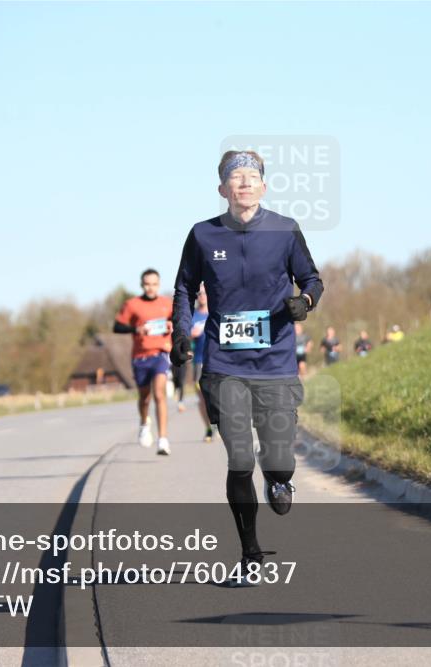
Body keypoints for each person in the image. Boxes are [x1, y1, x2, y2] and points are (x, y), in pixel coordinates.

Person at [170, 150, 323, 580]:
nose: (244, 183)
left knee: (278, 460)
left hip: (275, 361)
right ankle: (250, 553)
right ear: (222, 189)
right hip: (224, 365)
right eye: (235, 177)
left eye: (252, 176)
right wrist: (180, 333)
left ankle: (280, 478)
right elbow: (184, 287)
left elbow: (312, 279)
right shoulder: (202, 235)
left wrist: (304, 301)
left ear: (264, 186)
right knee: (239, 459)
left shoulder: (284, 230)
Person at [113, 268, 173, 455]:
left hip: (161, 353)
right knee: (144, 397)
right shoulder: (132, 304)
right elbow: (117, 326)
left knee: (159, 394)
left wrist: (173, 325)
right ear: (142, 285)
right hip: (140, 356)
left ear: (159, 285)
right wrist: (136, 329)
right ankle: (144, 423)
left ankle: (163, 440)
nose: (150, 288)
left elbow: (178, 321)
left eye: (154, 284)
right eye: (147, 284)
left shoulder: (167, 304)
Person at [190, 285, 214, 442]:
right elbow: (184, 335)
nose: (202, 296)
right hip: (199, 361)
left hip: (217, 360)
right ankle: (208, 428)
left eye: (205, 293)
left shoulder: (216, 312)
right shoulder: (193, 316)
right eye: (199, 293)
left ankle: (220, 421)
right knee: (202, 398)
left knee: (219, 395)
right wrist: (191, 335)